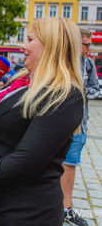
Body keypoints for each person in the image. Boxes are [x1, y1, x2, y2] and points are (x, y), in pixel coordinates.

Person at [0, 17, 85, 225]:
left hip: (26, 211)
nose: (23, 46)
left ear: (50, 46)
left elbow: (26, 160)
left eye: (29, 39)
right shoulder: (23, 81)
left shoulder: (65, 95)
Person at [61, 28, 100, 226]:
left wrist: (80, 91)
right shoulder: (60, 59)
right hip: (57, 121)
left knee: (71, 164)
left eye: (90, 44)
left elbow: (95, 89)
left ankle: (66, 208)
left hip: (79, 123)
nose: (89, 48)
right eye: (85, 44)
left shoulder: (88, 64)